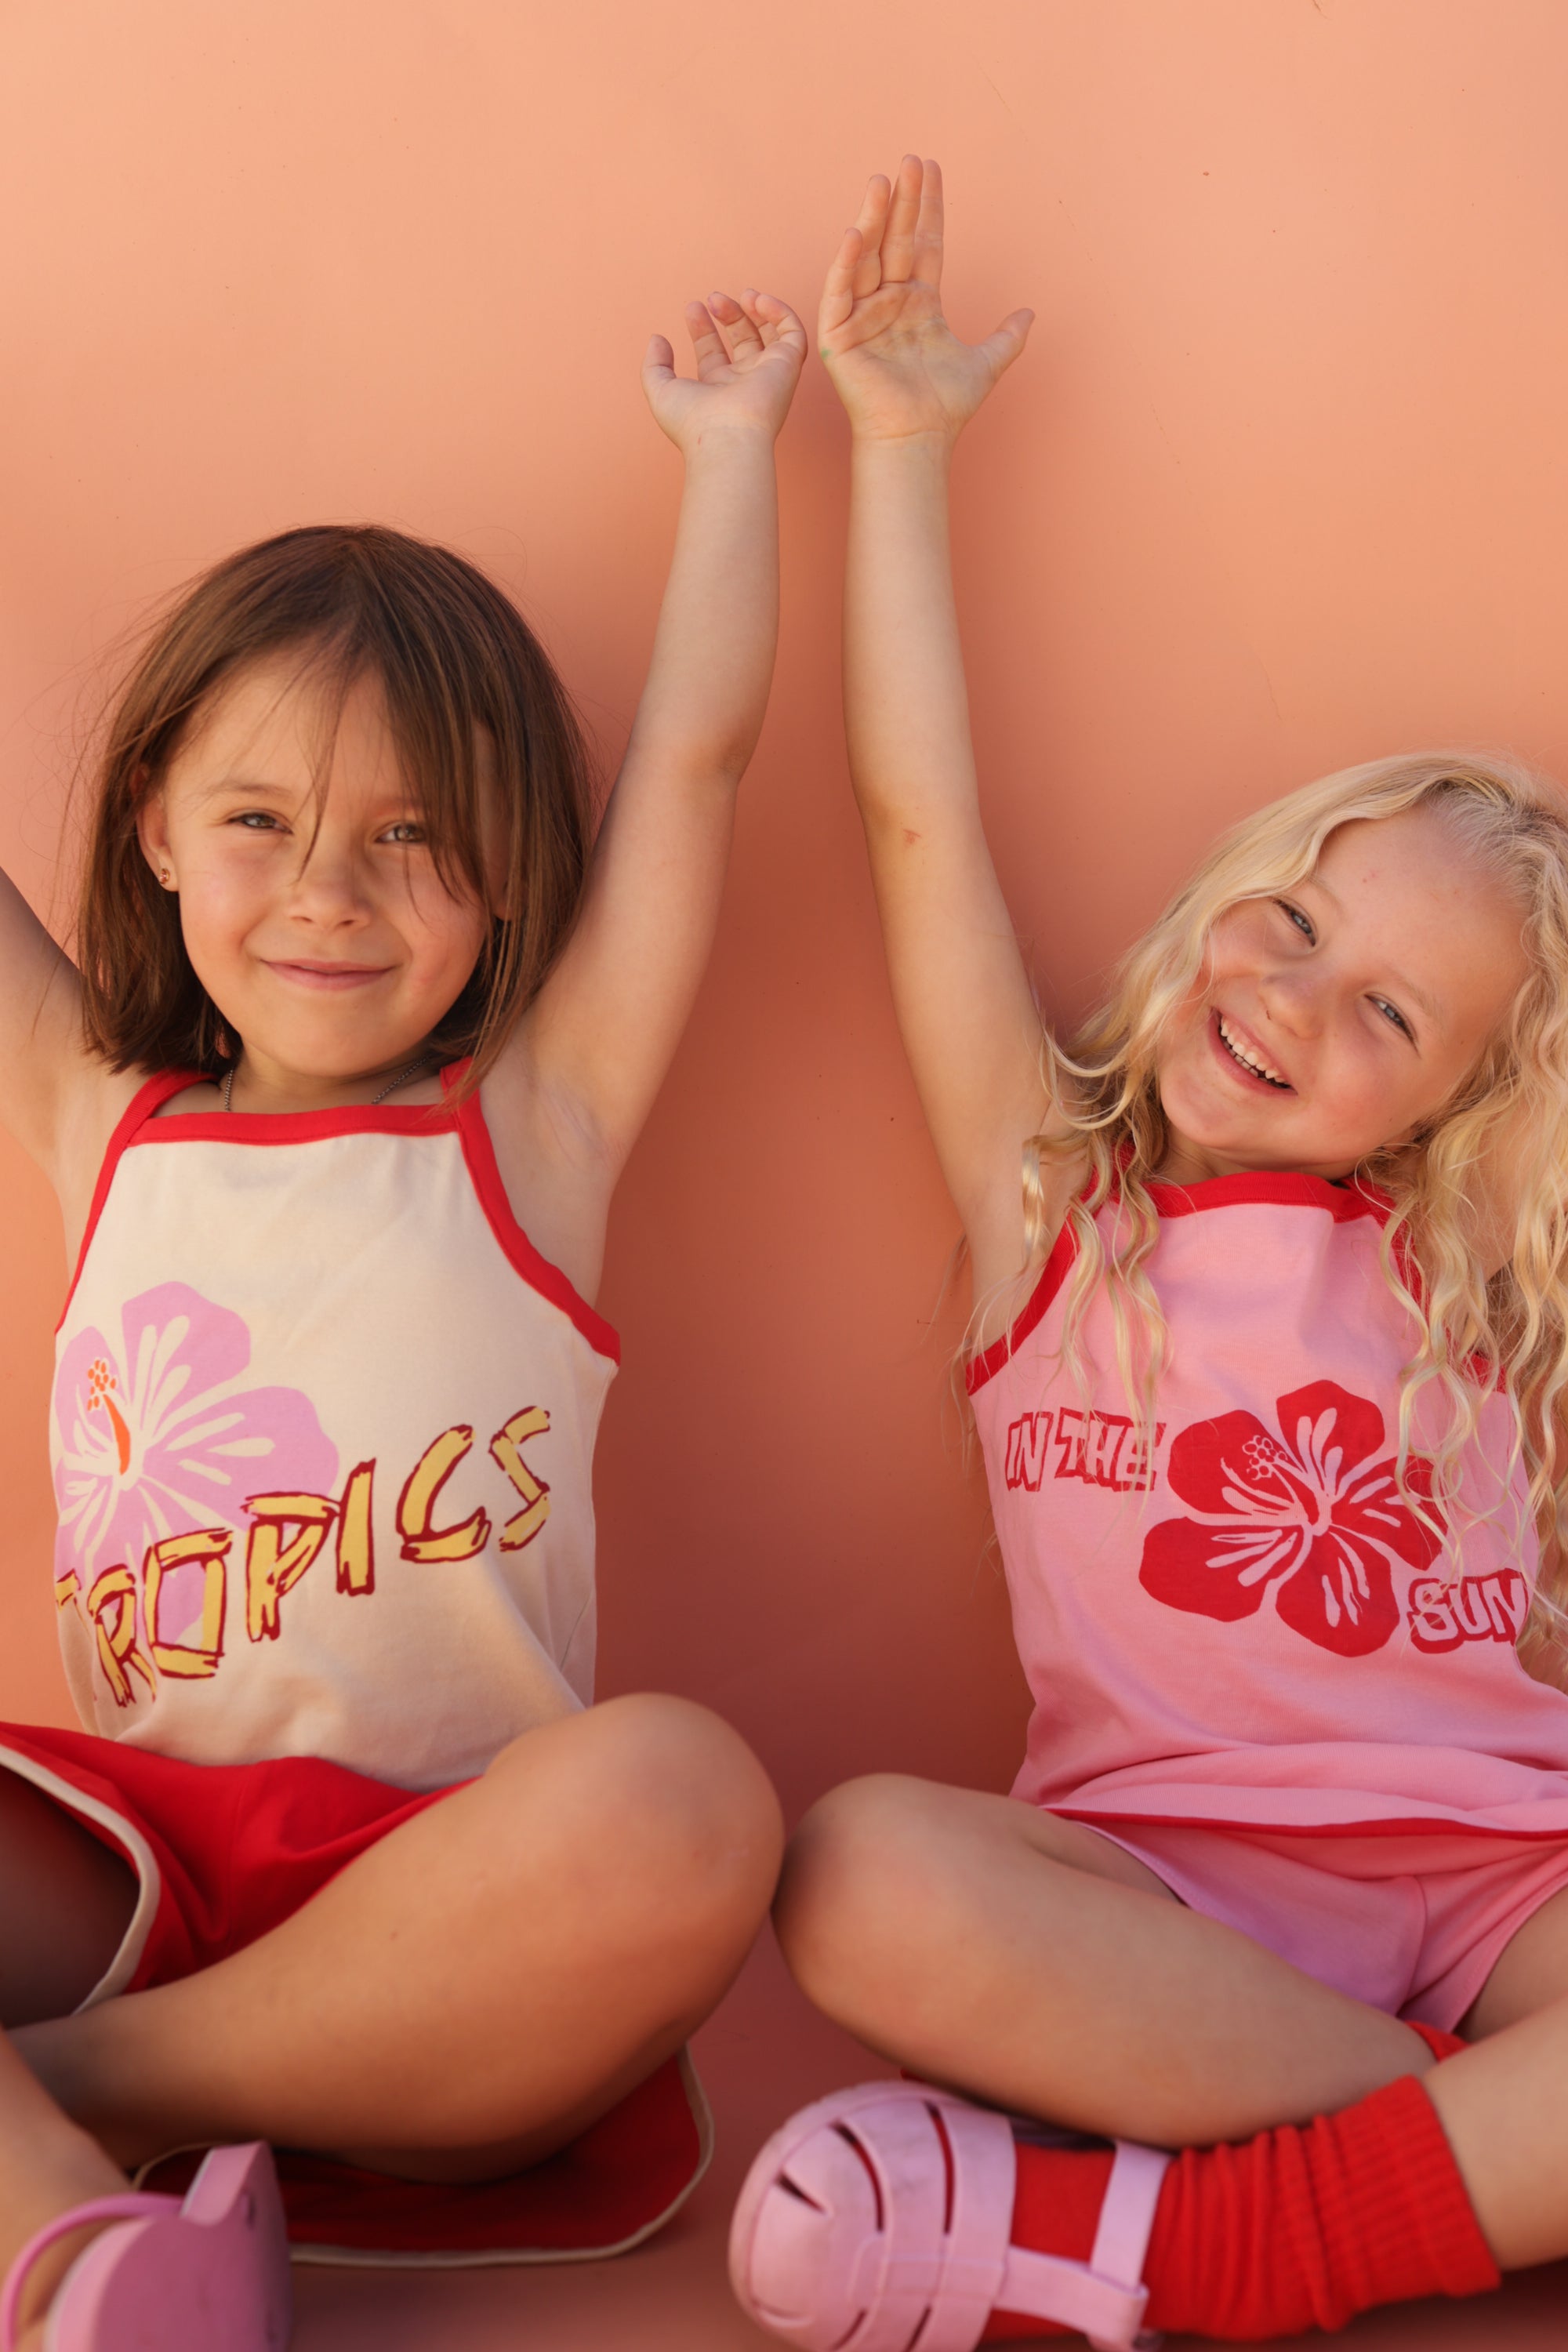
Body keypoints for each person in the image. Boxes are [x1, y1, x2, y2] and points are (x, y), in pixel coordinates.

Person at [730, 157, 1568, 2349]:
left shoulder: (1487, 1287)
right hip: (1154, 1902)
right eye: (1289, 923)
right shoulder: (1059, 1221)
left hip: (1513, 1889)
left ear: (1462, 1109)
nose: (1290, 998)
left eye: (1387, 1009)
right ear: (1219, 906)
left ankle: (1190, 2246)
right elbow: (922, 833)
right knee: (857, 1875)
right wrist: (902, 451)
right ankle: (1467, 2155)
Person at [0, 278, 804, 2351]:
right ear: (161, 819)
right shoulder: (95, 1117)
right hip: (139, 1884)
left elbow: (700, 767)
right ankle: (105, 2271)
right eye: (261, 823)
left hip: (467, 1924)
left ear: (512, 878)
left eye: (411, 842)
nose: (329, 894)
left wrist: (730, 458)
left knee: (690, 1795)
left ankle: (70, 2136)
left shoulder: (535, 1121)